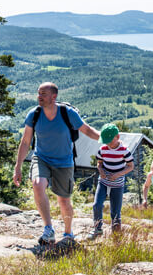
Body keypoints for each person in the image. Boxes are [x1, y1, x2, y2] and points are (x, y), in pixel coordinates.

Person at [13, 82, 101, 245]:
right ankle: (48, 229)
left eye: (43, 94)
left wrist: (105, 139)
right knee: (38, 184)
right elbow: (25, 142)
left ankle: (68, 232)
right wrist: (17, 167)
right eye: (39, 93)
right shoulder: (34, 114)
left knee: (64, 200)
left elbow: (87, 130)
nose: (39, 96)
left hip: (64, 161)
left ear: (54, 97)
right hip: (42, 158)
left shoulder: (68, 113)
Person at [87, 123, 134, 240]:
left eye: (110, 141)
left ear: (117, 137)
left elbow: (130, 166)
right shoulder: (102, 149)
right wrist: (101, 170)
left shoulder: (124, 151)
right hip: (103, 181)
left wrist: (118, 174)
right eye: (106, 141)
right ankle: (97, 229)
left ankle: (116, 235)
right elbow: (99, 163)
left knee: (116, 211)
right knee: (97, 205)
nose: (108, 144)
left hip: (117, 184)